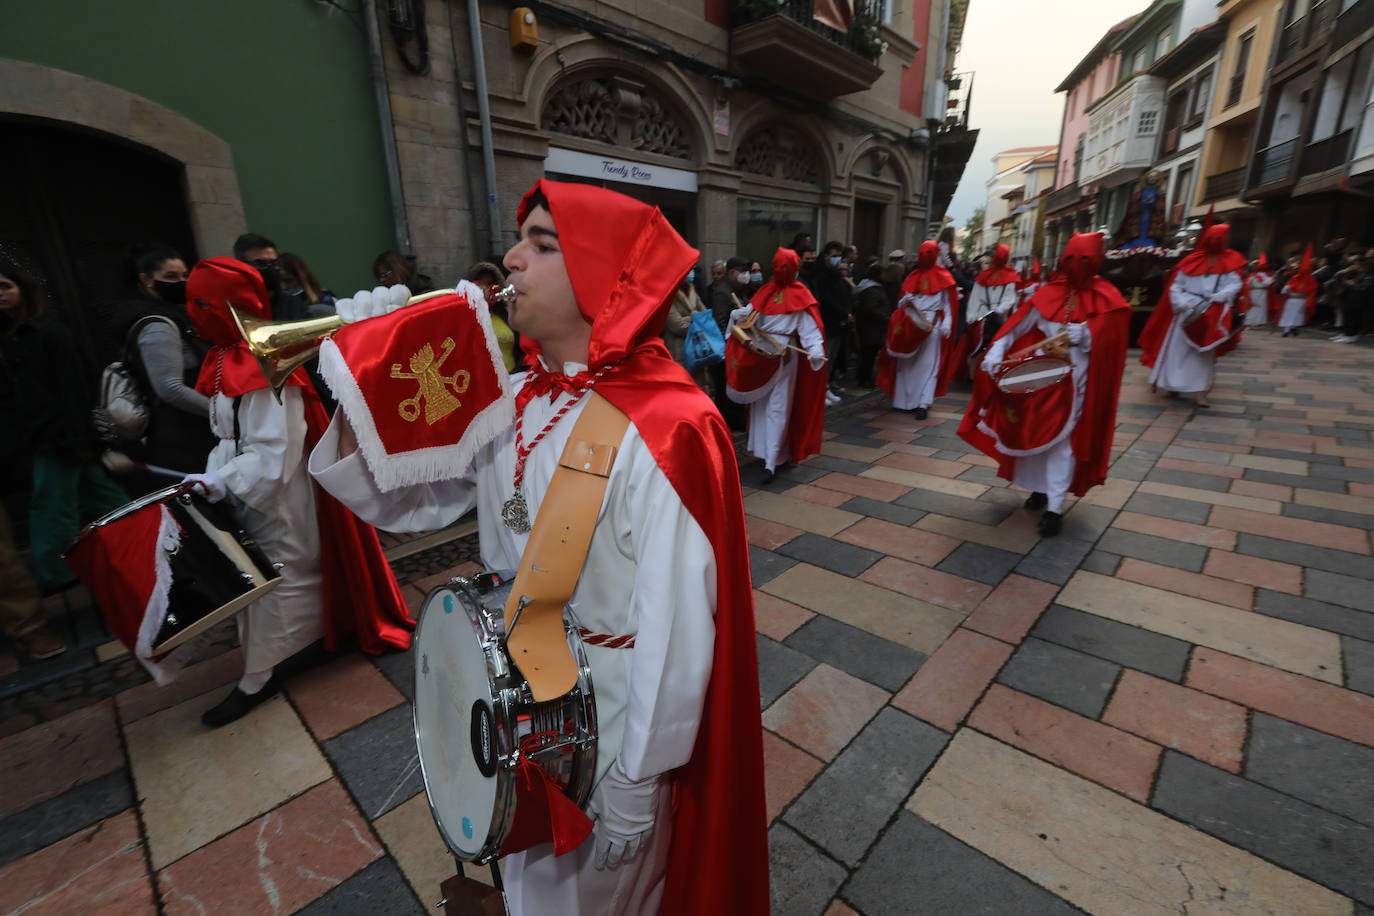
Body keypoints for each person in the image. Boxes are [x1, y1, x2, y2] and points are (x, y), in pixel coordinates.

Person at [311, 180, 767, 916]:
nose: (511, 258)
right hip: (515, 703)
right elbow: (410, 501)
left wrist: (634, 784)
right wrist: (367, 379)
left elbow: (680, 632)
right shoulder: (511, 395)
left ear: (607, 275)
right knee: (530, 896)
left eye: (541, 243)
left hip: (612, 728)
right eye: (519, 238)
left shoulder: (672, 422)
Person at [180, 258, 412, 727]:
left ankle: (260, 674)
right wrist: (217, 477)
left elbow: (275, 452)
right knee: (270, 577)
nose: (191, 313)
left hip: (276, 492)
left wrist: (225, 481)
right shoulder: (229, 356)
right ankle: (318, 638)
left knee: (276, 578)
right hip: (250, 483)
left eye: (200, 303)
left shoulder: (260, 367)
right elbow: (232, 436)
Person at [957, 233, 1130, 537]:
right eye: (1072, 258)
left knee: (1063, 444)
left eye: (1085, 259)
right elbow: (1015, 327)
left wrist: (1087, 335)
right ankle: (1039, 489)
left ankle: (1055, 508)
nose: (1077, 265)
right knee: (1035, 434)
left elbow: (1114, 340)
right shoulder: (1049, 292)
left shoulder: (1107, 297)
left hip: (1078, 384)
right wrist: (996, 349)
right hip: (1040, 379)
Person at [0, 258, 127, 595]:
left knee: (51, 504)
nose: (0, 295)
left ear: (22, 290)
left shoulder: (46, 333)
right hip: (49, 435)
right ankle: (149, 541)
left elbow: (74, 388)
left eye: (5, 286)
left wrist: (80, 436)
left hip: (59, 436)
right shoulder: (11, 336)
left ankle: (56, 572)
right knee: (101, 497)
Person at [104, 244, 216, 488]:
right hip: (184, 439)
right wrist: (222, 414)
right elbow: (169, 388)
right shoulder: (157, 325)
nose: (181, 282)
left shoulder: (174, 316)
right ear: (146, 280)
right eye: (170, 277)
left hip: (188, 433)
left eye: (185, 275)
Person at [726, 248, 828, 483]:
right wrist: (738, 315)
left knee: (778, 406)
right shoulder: (765, 291)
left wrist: (815, 349)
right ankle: (763, 452)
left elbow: (809, 329)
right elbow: (750, 316)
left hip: (784, 356)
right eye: (777, 266)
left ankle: (772, 459)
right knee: (761, 405)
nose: (780, 271)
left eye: (785, 267)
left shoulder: (801, 295)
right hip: (760, 355)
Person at [1138, 224, 1246, 409]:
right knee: (1176, 352)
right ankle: (1172, 387)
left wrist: (1220, 297)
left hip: (1211, 312)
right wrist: (1181, 303)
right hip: (1186, 311)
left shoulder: (1232, 261)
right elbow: (1176, 286)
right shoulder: (1190, 261)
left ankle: (1200, 393)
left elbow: (1235, 284)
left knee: (1203, 354)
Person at [876, 240, 954, 419]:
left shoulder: (944, 277)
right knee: (907, 364)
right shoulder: (912, 276)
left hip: (932, 327)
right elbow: (902, 301)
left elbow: (949, 306)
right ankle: (903, 401)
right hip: (911, 325)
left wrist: (947, 324)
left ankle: (923, 403)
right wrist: (906, 301)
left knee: (928, 366)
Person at [948, 243, 1020, 385]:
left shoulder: (1010, 276)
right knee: (976, 344)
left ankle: (994, 373)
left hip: (1000, 315)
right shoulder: (983, 277)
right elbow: (976, 297)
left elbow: (1009, 298)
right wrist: (972, 315)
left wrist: (1000, 309)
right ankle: (974, 374)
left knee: (999, 343)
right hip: (982, 316)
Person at [662, 265, 715, 398]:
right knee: (682, 393)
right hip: (679, 352)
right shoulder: (669, 296)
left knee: (700, 392)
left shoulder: (692, 291)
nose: (691, 273)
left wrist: (690, 318)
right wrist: (696, 318)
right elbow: (677, 325)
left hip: (698, 352)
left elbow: (706, 317)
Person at [811, 241, 854, 391]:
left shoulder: (838, 276)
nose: (837, 259)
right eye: (834, 255)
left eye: (839, 256)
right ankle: (822, 388)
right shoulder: (821, 277)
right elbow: (827, 301)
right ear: (826, 256)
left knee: (833, 358)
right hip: (828, 323)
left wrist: (847, 314)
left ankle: (827, 386)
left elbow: (845, 295)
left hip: (839, 323)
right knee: (826, 357)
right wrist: (843, 313)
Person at [467, 260, 520, 372]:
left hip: (512, 378)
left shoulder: (508, 314)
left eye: (491, 284)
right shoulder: (464, 319)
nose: (486, 290)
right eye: (481, 284)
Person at [852, 260, 891, 389]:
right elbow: (871, 308)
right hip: (870, 329)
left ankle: (866, 377)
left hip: (874, 329)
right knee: (867, 355)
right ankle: (864, 379)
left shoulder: (875, 287)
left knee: (870, 355)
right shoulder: (871, 289)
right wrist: (886, 317)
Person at [1278, 245, 1318, 337]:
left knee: (1297, 316)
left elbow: (1313, 290)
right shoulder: (1295, 277)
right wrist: (1286, 288)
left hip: (1302, 300)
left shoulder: (1311, 279)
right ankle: (1286, 330)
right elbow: (1289, 284)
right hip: (1292, 300)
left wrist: (1309, 300)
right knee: (1288, 314)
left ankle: (1294, 327)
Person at [1244, 255, 1273, 327]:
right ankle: (1251, 321)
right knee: (1253, 306)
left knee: (1260, 307)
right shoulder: (1252, 275)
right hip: (1255, 292)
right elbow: (1247, 284)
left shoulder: (1267, 275)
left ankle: (1257, 322)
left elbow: (1267, 283)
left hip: (1261, 292)